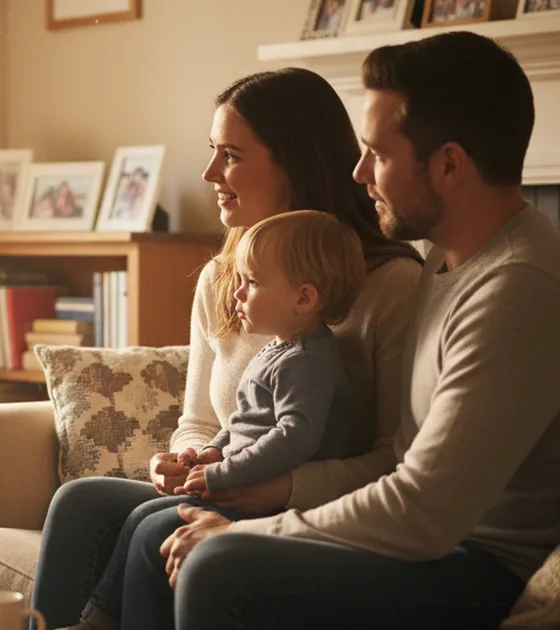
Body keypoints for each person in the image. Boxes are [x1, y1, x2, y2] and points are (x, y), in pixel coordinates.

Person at [156, 31, 560, 630]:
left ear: (449, 164)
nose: (358, 170)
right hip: (430, 551)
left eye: (379, 153)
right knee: (152, 529)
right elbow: (402, 458)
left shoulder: (518, 285)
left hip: (475, 569)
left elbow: (423, 511)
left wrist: (258, 528)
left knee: (220, 563)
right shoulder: (443, 264)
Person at [31, 67, 423, 630]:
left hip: (312, 505)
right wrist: (184, 459)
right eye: (213, 151)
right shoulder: (222, 277)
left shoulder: (389, 285)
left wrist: (281, 486)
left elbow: (398, 460)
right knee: (81, 503)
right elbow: (198, 419)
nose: (210, 172)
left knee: (155, 530)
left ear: (297, 164)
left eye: (232, 155)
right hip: (232, 480)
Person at [180, 210, 367, 499]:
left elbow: (294, 437)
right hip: (235, 478)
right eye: (239, 280)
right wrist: (213, 450)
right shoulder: (280, 348)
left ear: (303, 298)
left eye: (252, 282)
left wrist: (223, 473)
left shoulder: (307, 361)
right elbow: (243, 420)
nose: (237, 294)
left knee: (151, 524)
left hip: (265, 499)